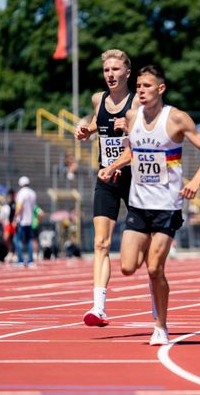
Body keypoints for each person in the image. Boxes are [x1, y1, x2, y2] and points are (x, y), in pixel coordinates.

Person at [98, 64, 200, 345]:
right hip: (138, 204)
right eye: (138, 86)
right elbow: (131, 150)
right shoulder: (132, 116)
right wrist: (112, 166)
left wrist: (196, 181)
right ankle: (148, 252)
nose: (141, 91)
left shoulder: (176, 119)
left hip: (167, 206)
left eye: (147, 86)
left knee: (154, 269)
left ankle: (160, 326)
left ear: (160, 89)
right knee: (127, 267)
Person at [74, 49, 139, 327]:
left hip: (135, 180)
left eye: (115, 70)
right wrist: (86, 130)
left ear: (127, 72)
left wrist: (132, 127)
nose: (110, 75)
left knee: (143, 251)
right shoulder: (97, 99)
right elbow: (96, 122)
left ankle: (155, 304)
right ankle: (98, 307)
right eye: (106, 71)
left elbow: (147, 142)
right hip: (106, 179)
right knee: (100, 243)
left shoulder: (137, 103)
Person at [14, 176, 37, 266]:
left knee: (18, 240)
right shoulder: (33, 193)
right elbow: (34, 207)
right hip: (30, 220)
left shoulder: (21, 193)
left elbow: (19, 207)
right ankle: (30, 260)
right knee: (29, 240)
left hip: (22, 220)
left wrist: (14, 218)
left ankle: (20, 260)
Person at [0, 189, 17, 262]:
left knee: (15, 240)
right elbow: (1, 218)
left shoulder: (15, 204)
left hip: (14, 224)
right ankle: (10, 252)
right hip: (7, 224)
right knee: (6, 239)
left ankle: (15, 253)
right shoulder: (5, 207)